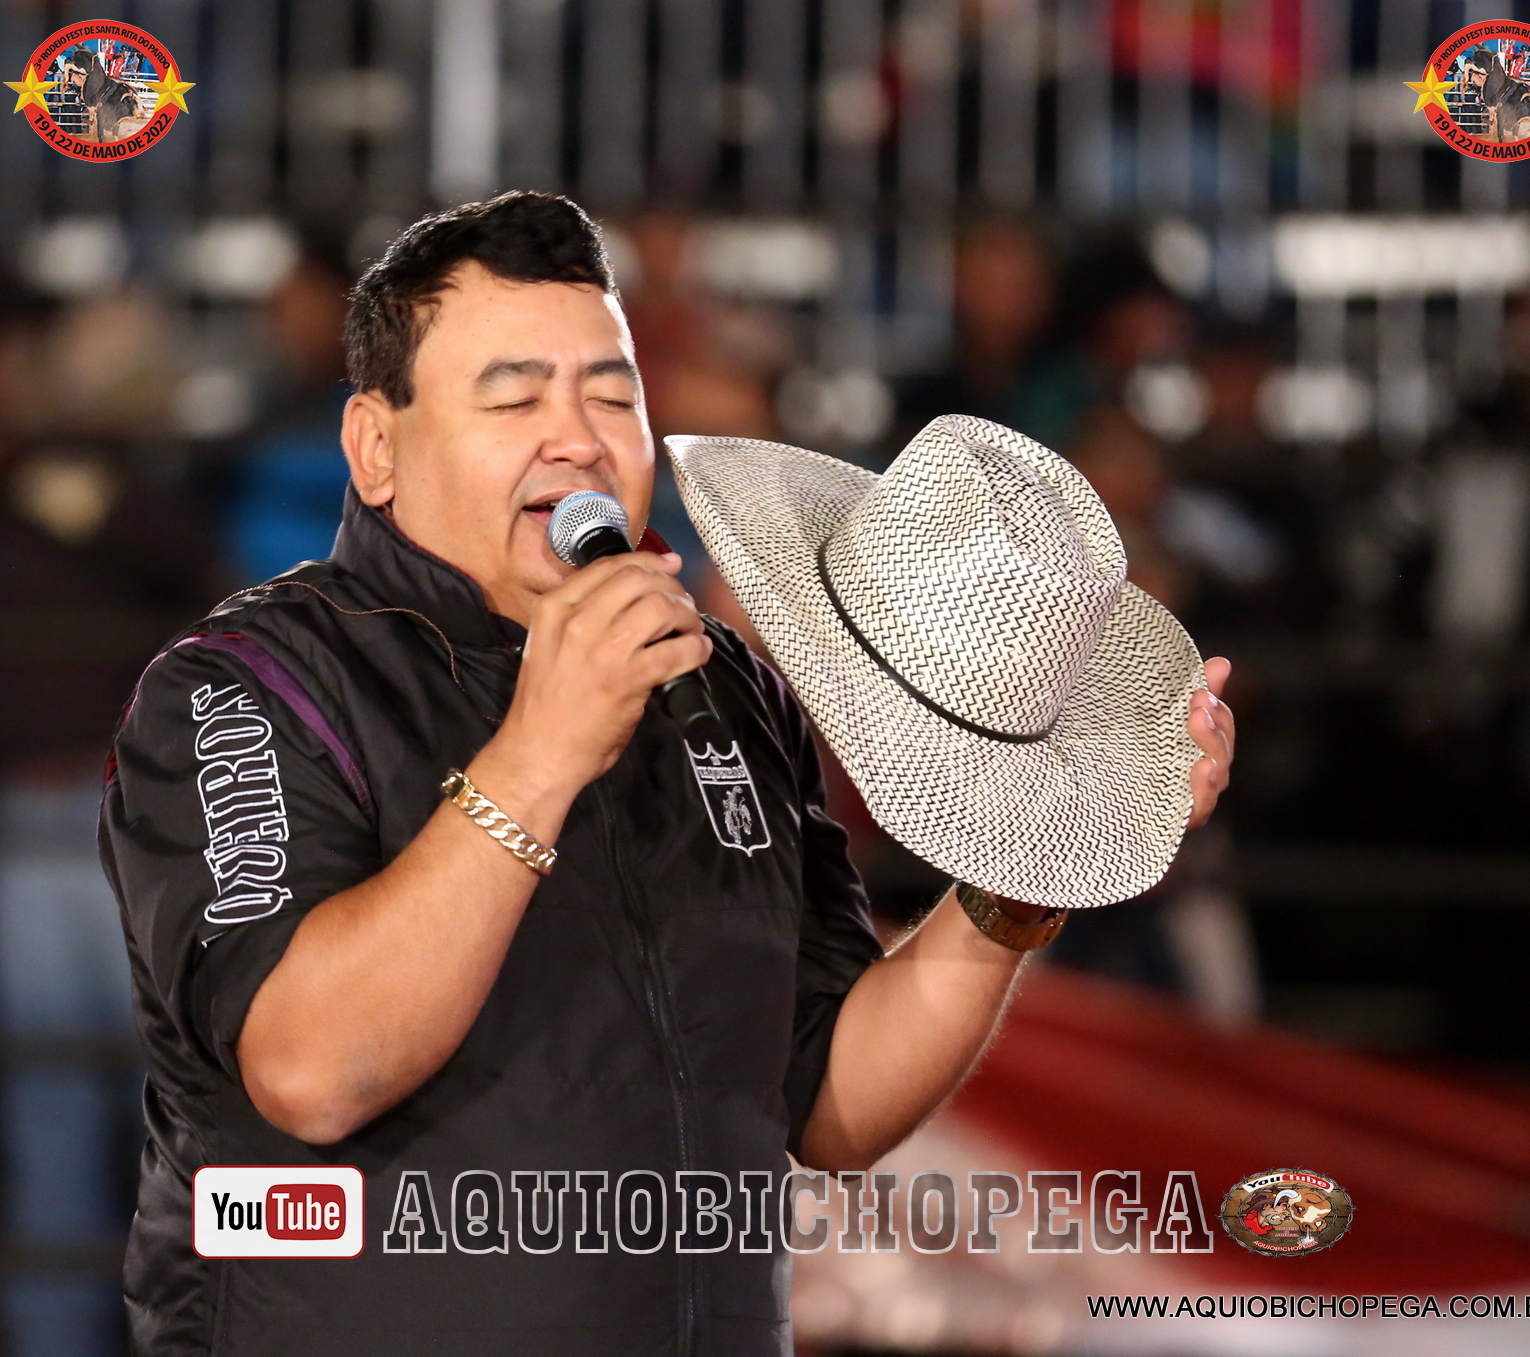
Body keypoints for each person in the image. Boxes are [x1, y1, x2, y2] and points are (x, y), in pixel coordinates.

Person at [99, 191, 1234, 1355]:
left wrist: (1025, 859)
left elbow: (830, 1106)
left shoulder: (721, 688)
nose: (576, 439)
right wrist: (541, 751)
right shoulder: (249, 686)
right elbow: (310, 1068)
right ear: (375, 449)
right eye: (514, 397)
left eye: (611, 395)